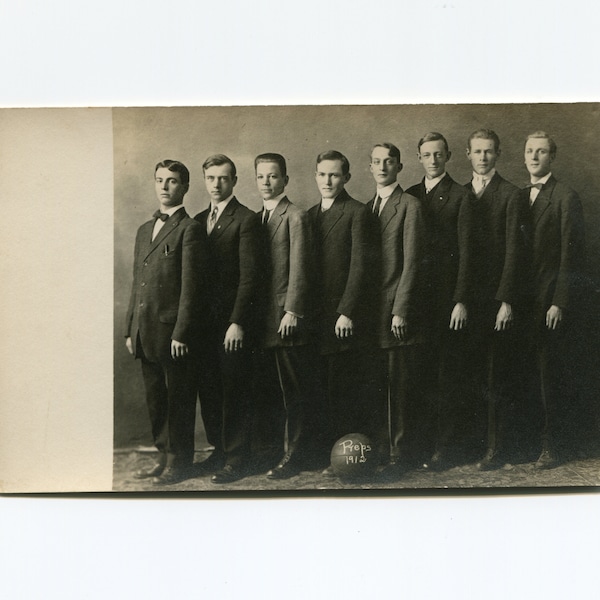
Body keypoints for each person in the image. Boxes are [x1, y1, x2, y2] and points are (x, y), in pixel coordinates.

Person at [125, 159, 208, 485]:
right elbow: (137, 282)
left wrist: (182, 332)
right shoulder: (144, 230)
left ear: (185, 187)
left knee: (178, 400)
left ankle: (179, 462)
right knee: (156, 399)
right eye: (160, 179)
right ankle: (163, 456)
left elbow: (191, 288)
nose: (164, 186)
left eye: (172, 181)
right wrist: (130, 327)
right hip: (145, 332)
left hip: (173, 333)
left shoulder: (190, 229)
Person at [406, 132, 477, 470]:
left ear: (448, 156)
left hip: (448, 302)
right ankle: (421, 447)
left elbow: (467, 253)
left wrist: (461, 299)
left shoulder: (461, 196)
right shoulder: (410, 195)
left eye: (438, 154)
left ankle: (446, 450)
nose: (432, 160)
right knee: (419, 376)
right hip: (418, 303)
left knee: (448, 377)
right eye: (426, 155)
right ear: (419, 158)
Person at [307, 150, 378, 475]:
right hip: (315, 320)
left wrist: (347, 311)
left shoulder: (357, 212)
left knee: (345, 389)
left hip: (342, 320)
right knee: (320, 390)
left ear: (346, 178)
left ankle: (349, 458)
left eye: (334, 175)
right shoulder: (308, 215)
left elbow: (360, 267)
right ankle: (327, 455)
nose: (327, 181)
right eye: (322, 174)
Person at [464, 128, 528, 469]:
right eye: (477, 151)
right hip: (468, 300)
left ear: (498, 154)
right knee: (472, 372)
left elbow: (515, 253)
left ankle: (497, 447)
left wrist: (507, 301)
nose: (483, 157)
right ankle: (475, 444)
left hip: (495, 299)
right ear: (468, 155)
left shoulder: (511, 194)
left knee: (496, 374)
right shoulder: (460, 193)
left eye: (489, 151)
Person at [194, 154, 260, 483]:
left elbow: (250, 278)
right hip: (203, 325)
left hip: (231, 322)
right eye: (211, 179)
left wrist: (238, 321)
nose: (217, 185)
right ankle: (218, 451)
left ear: (234, 181)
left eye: (223, 178)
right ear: (204, 181)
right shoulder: (196, 219)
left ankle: (237, 458)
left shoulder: (245, 219)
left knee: (234, 390)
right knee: (209, 390)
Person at [522, 131, 585, 469]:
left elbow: (570, 256)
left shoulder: (565, 196)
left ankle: (553, 446)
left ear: (552, 157)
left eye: (541, 152)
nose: (534, 157)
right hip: (524, 302)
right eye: (530, 151)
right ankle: (527, 444)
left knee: (550, 375)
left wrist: (559, 301)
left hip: (549, 301)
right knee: (526, 374)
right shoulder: (519, 196)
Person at [252, 153, 317, 479]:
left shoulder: (295, 215)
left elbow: (301, 267)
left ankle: (295, 455)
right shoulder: (256, 218)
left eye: (273, 176)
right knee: (269, 393)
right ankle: (272, 452)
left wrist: (292, 310)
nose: (267, 182)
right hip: (262, 321)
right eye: (261, 176)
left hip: (285, 318)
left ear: (285, 180)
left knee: (294, 392)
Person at [367, 143, 427, 477]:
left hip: (396, 312)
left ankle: (400, 456)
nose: (382, 166)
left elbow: (413, 261)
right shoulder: (367, 207)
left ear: (399, 167)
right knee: (378, 387)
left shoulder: (410, 205)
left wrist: (401, 309)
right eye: (376, 162)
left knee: (401, 390)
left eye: (388, 161)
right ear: (369, 167)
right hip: (372, 314)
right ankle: (381, 449)